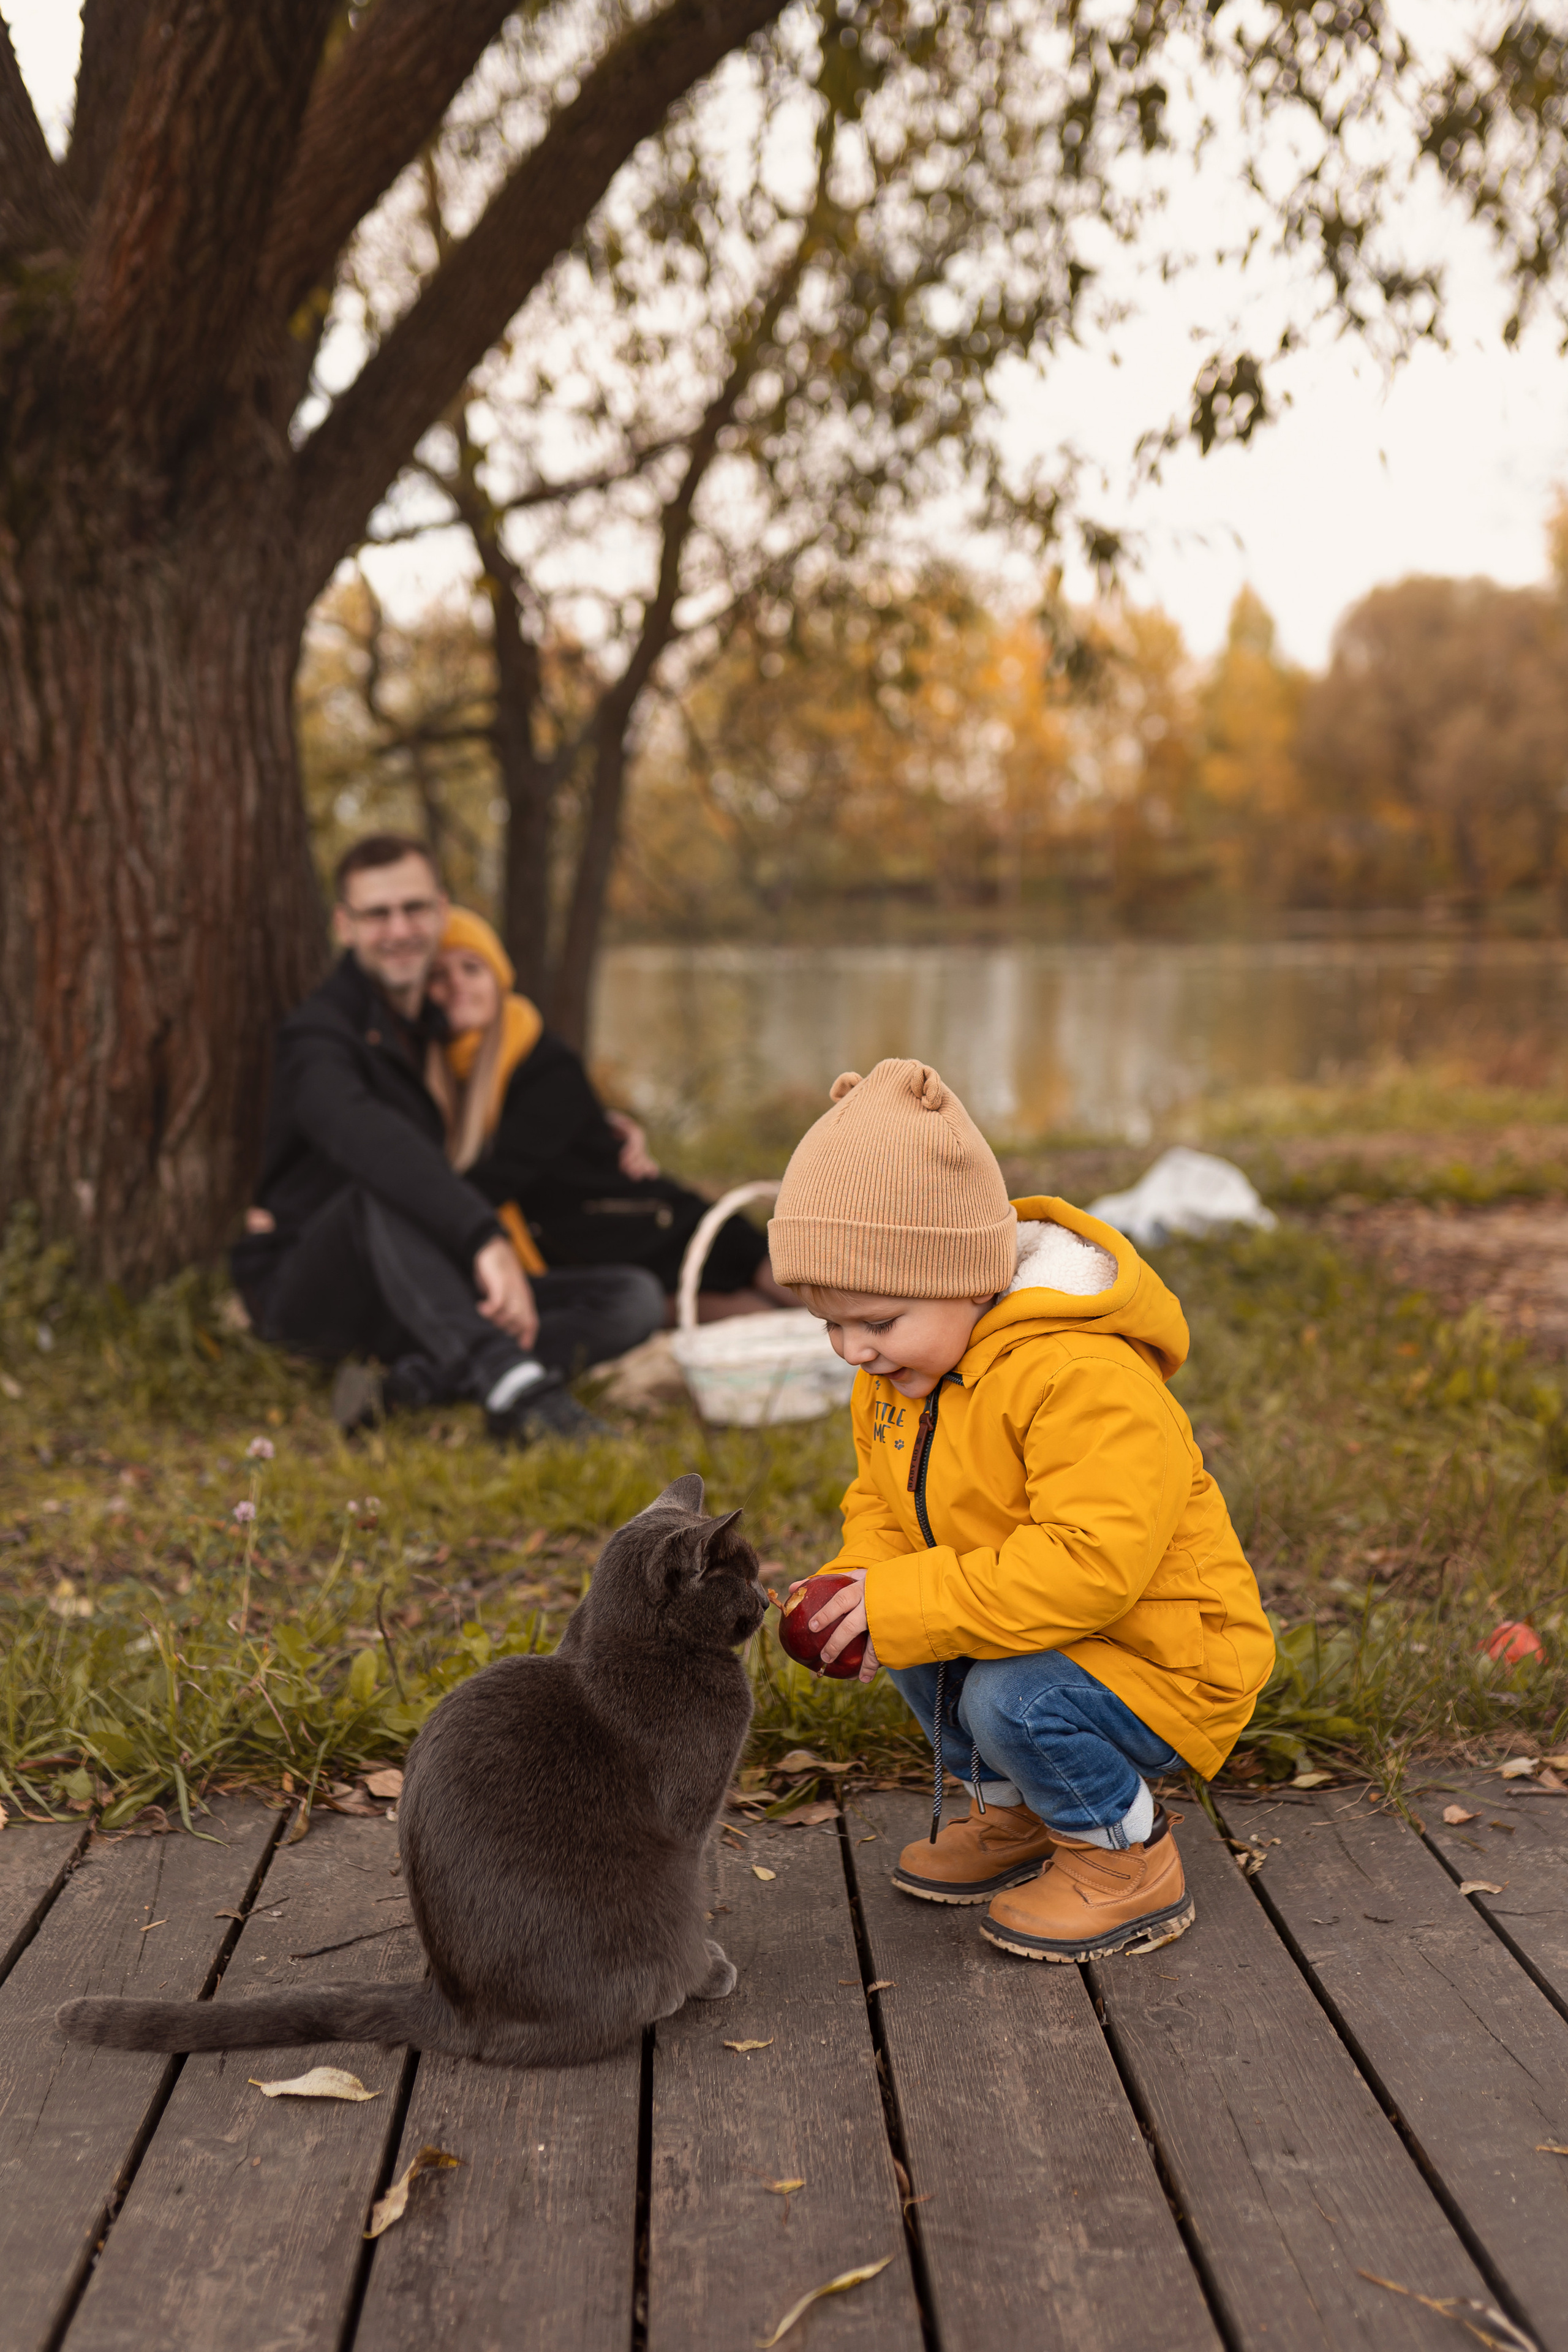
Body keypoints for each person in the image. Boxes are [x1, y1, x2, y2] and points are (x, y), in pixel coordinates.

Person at [766, 1058, 1274, 1962]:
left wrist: (909, 1601)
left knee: (1011, 1695)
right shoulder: (909, 1370)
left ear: (969, 1276)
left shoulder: (1082, 1377)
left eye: (877, 1321)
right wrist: (862, 1582)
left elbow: (1092, 1569)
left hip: (1164, 1655)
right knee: (922, 1634)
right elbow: (885, 1502)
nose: (853, 1351)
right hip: (1042, 1620)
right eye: (830, 1325)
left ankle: (1125, 1858)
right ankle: (1020, 1818)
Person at [232, 837, 664, 1442]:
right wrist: (482, 1238)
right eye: (377, 914)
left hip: (425, 1284)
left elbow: (521, 1110)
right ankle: (514, 1388)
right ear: (345, 926)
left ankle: (419, 1384)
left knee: (631, 1297)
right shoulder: (319, 1039)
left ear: (441, 913)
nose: (399, 928)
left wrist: (607, 1132)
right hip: (316, 1290)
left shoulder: (437, 1032)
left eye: (413, 909)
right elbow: (371, 1140)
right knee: (377, 1191)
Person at [426, 907, 797, 1321]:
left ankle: (860, 1347)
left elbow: (501, 1172)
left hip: (637, 1220)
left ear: (498, 980)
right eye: (440, 975)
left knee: (763, 1273)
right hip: (579, 1247)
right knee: (725, 1316)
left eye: (472, 969)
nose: (456, 984)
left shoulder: (543, 1061)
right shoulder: (434, 1070)